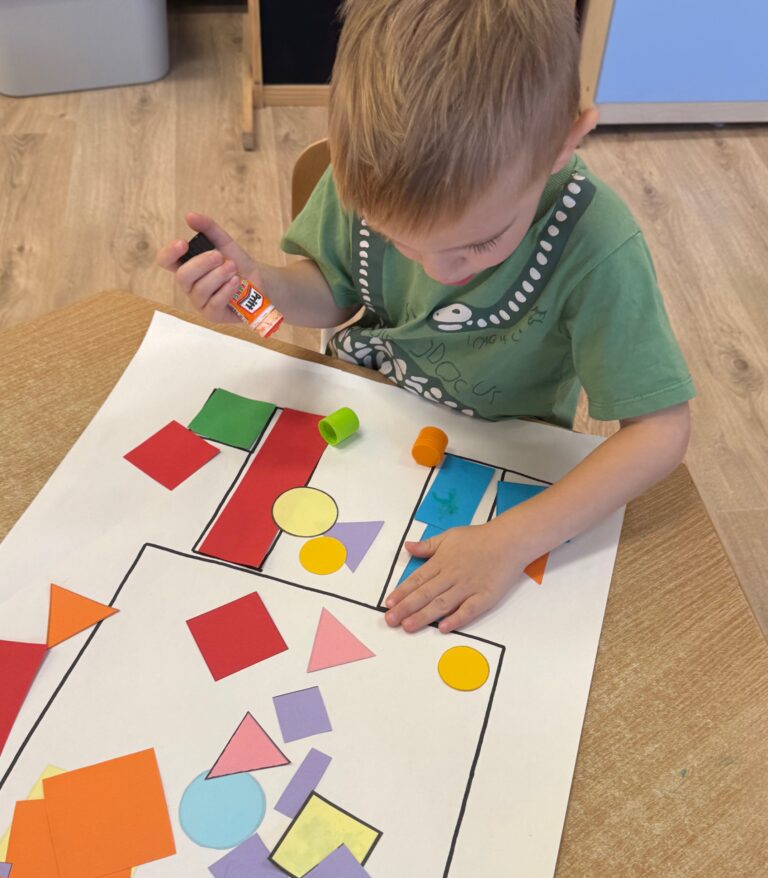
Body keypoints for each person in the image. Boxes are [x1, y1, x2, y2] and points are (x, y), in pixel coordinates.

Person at [156, 0, 694, 634]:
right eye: (399, 240)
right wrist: (262, 288)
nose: (438, 269)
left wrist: (513, 539)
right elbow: (335, 292)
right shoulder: (371, 167)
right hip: (365, 426)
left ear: (564, 142)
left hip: (494, 459)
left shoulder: (598, 247)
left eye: (479, 243)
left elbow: (659, 431)